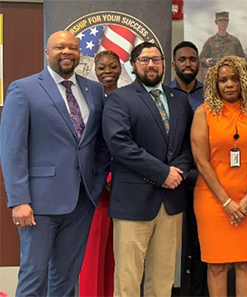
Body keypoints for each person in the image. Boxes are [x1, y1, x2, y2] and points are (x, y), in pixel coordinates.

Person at [0, 30, 110, 297]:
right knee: (33, 276)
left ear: (79, 53)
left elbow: (100, 143)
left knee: (66, 278)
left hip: (82, 201)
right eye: (60, 47)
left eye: (72, 48)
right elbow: (12, 149)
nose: (67, 52)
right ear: (47, 53)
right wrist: (18, 200)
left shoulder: (94, 90)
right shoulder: (23, 89)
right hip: (38, 204)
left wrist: (94, 184)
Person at [102, 42, 193, 297]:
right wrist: (162, 173)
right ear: (133, 65)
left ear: (164, 63)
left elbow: (188, 145)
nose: (151, 65)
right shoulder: (120, 99)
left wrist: (179, 173)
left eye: (156, 59)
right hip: (133, 203)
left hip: (171, 202)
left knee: (163, 278)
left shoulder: (180, 100)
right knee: (128, 277)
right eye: (144, 60)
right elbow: (120, 144)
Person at [191, 55, 247, 297]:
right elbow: (201, 162)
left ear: (244, 81)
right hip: (213, 200)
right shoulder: (203, 114)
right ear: (215, 84)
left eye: (235, 79)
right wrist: (226, 201)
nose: (229, 84)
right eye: (223, 80)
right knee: (216, 265)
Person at [165, 41, 208, 297]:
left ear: (198, 64)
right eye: (182, 60)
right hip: (171, 178)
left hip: (203, 178)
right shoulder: (162, 93)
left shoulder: (209, 95)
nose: (188, 64)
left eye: (192, 59)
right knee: (168, 245)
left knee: (199, 242)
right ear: (174, 64)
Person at [78, 50, 121, 297]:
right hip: (95, 188)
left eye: (113, 67)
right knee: (92, 256)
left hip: (122, 187)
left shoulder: (129, 98)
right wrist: (103, 178)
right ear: (95, 70)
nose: (107, 72)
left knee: (114, 257)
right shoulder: (88, 101)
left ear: (120, 68)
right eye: (102, 67)